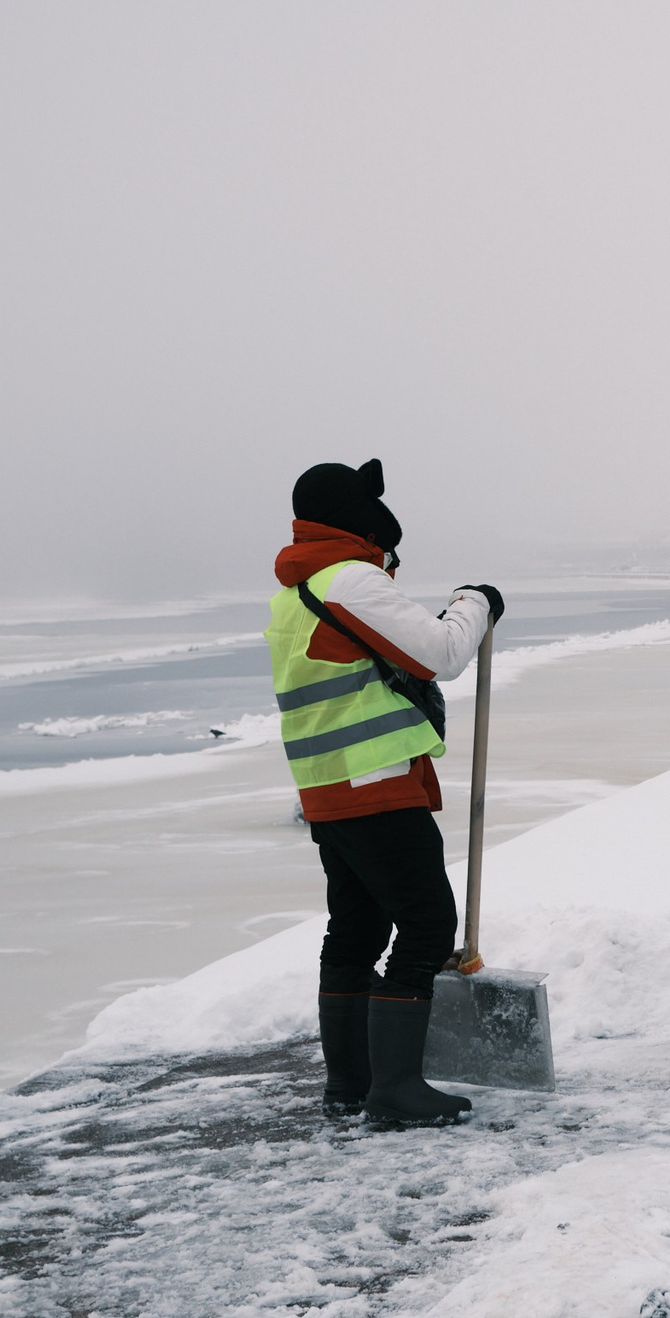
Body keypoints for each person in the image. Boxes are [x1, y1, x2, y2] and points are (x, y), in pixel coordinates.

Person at [267, 459, 504, 1123]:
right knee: (427, 925)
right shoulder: (349, 579)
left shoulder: (296, 591)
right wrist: (474, 602)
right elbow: (442, 656)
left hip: (327, 788)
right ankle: (396, 1090)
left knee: (358, 927)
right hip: (375, 784)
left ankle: (349, 1081)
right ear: (353, 514)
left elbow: (366, 659)